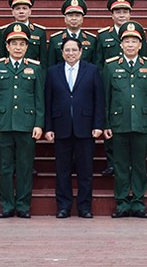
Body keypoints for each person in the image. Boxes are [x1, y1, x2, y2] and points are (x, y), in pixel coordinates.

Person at [0, 23, 45, 219]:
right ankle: (6, 205)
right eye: (14, 44)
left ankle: (22, 205)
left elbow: (39, 99)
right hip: (3, 124)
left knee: (25, 166)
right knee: (4, 167)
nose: (18, 47)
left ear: (27, 47)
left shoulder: (35, 68)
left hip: (27, 125)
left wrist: (38, 124)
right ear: (7, 46)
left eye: (22, 44)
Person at [103, 21, 147, 219]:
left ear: (140, 44)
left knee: (139, 164)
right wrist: (106, 124)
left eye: (134, 41)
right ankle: (122, 202)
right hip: (118, 124)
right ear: (121, 44)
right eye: (126, 40)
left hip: (142, 123)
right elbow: (106, 98)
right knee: (119, 164)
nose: (130, 44)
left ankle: (137, 201)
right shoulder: (110, 66)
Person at [45, 37, 105, 219]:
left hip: (85, 128)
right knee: (62, 171)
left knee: (85, 171)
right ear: (62, 53)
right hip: (61, 127)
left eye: (74, 50)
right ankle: (63, 206)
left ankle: (84, 207)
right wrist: (48, 127)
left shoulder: (92, 70)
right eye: (67, 50)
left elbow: (99, 100)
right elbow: (48, 101)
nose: (70, 53)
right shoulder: (52, 72)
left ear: (81, 51)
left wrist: (98, 125)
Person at [95, 0, 147, 177]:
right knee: (112, 126)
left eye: (125, 11)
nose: (121, 15)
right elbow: (99, 64)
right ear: (112, 14)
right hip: (110, 85)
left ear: (130, 13)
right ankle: (111, 163)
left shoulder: (138, 33)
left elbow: (144, 59)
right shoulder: (103, 36)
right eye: (118, 11)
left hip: (132, 84)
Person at [0, 0, 47, 68]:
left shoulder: (39, 32)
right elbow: (1, 57)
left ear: (30, 11)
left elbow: (43, 61)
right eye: (17, 8)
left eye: (24, 8)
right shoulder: (4, 31)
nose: (21, 11)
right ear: (12, 12)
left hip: (32, 74)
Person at [47, 0, 97, 67]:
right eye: (70, 15)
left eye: (77, 15)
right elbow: (50, 65)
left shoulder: (91, 39)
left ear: (82, 19)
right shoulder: (55, 39)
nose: (74, 18)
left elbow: (95, 66)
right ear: (65, 18)